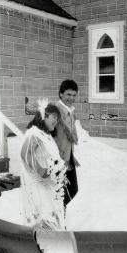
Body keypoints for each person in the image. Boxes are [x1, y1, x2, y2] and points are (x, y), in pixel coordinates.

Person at [20, 101, 67, 230]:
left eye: (58, 119)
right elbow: (25, 153)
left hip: (48, 185)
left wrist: (58, 169)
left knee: (50, 220)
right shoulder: (34, 134)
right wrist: (41, 170)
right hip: (38, 187)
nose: (56, 121)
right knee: (44, 220)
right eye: (54, 118)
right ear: (43, 117)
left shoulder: (45, 134)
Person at [54, 80, 79, 208]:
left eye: (74, 95)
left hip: (68, 158)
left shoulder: (70, 110)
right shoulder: (55, 111)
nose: (71, 98)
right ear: (61, 94)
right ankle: (56, 218)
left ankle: (57, 214)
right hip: (57, 160)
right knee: (60, 192)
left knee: (72, 189)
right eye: (68, 94)